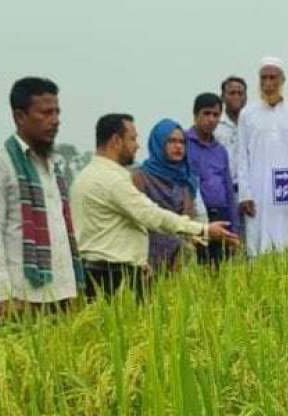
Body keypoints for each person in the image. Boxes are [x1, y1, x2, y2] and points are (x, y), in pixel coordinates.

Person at [70, 114, 238, 301]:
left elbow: (121, 227)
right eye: (132, 139)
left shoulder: (86, 176)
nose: (137, 146)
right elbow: (151, 215)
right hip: (112, 274)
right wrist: (203, 229)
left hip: (111, 268)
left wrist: (139, 261)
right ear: (116, 141)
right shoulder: (113, 180)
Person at [0, 76, 84, 324]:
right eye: (45, 113)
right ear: (20, 117)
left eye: (57, 112)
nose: (55, 120)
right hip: (22, 298)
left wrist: (73, 288)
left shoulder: (53, 166)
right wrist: (3, 294)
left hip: (62, 295)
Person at [234, 57, 288, 257]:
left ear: (282, 80)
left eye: (273, 78)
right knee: (259, 246)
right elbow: (241, 156)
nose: (268, 83)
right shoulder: (247, 114)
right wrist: (245, 194)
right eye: (264, 78)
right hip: (258, 192)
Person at [130, 118, 201, 272]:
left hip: (180, 260)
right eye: (172, 141)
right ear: (159, 143)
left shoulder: (185, 179)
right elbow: (138, 220)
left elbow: (190, 218)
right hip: (147, 260)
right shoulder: (140, 177)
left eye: (182, 142)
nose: (178, 147)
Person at [187, 93, 239, 266]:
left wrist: (234, 229)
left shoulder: (220, 150)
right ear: (195, 115)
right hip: (196, 216)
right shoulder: (183, 144)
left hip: (221, 214)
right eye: (206, 113)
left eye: (216, 115)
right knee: (197, 267)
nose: (211, 119)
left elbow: (228, 189)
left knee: (221, 269)